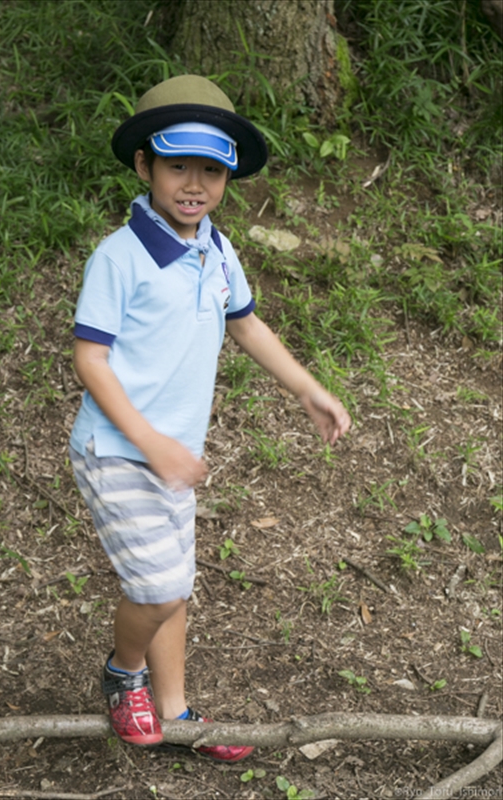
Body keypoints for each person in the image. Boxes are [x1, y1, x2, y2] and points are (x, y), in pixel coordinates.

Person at [69, 75, 351, 763]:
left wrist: (309, 390)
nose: (193, 183)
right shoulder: (121, 256)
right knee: (158, 586)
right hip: (119, 448)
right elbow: (90, 361)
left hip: (173, 454)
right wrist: (151, 443)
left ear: (227, 176)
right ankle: (122, 674)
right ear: (144, 166)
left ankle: (177, 719)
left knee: (177, 592)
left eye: (211, 170)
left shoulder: (218, 250)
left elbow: (247, 327)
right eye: (176, 166)